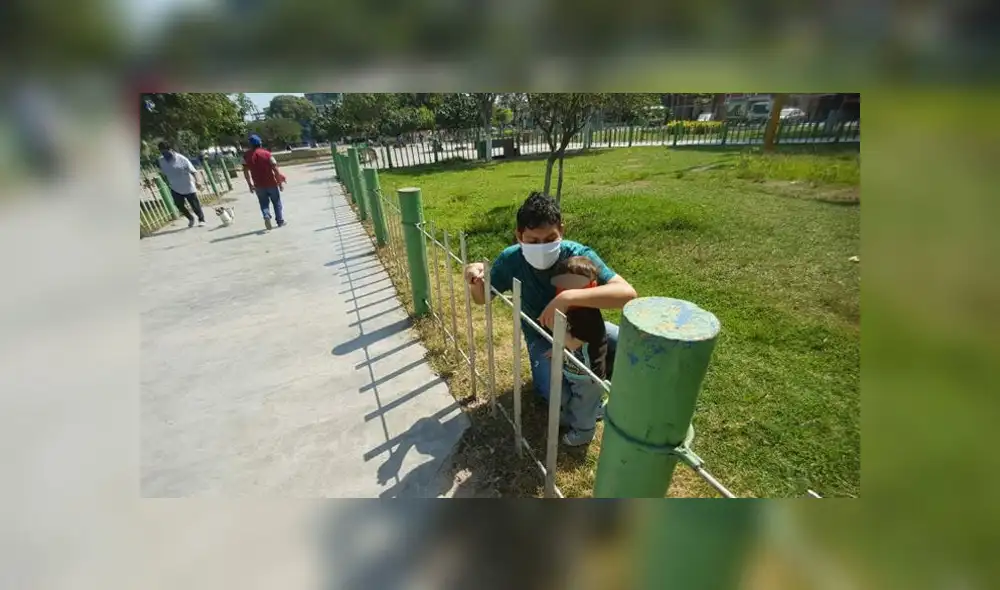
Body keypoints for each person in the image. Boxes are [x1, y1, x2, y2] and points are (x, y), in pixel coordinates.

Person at [463, 191, 637, 405]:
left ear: (561, 230)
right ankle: (583, 373)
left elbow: (627, 294)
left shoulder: (576, 256)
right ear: (519, 235)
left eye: (550, 239)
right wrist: (473, 278)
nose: (542, 247)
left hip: (584, 331)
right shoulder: (511, 260)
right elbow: (482, 298)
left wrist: (567, 297)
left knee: (631, 344)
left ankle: (599, 371)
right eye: (533, 241)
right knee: (559, 400)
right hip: (542, 338)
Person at [550, 256, 610, 446]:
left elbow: (573, 343)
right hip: (576, 367)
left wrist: (553, 326)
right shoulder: (572, 309)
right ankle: (596, 409)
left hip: (588, 374)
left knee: (583, 402)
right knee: (581, 399)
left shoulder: (587, 315)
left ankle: (584, 432)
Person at [156, 141, 205, 227]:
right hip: (175, 187)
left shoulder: (182, 159)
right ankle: (190, 218)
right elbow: (163, 172)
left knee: (195, 205)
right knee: (179, 206)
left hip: (188, 186)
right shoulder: (161, 161)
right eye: (163, 153)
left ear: (171, 150)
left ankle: (201, 219)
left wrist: (198, 181)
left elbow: (194, 171)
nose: (165, 155)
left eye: (166, 152)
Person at [243, 134, 286, 230]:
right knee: (276, 202)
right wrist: (279, 182)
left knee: (263, 203)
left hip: (258, 185)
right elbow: (275, 169)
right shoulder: (267, 154)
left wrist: (250, 185)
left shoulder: (246, 156)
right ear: (260, 143)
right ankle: (280, 221)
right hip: (271, 183)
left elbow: (245, 172)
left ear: (250, 144)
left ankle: (266, 215)